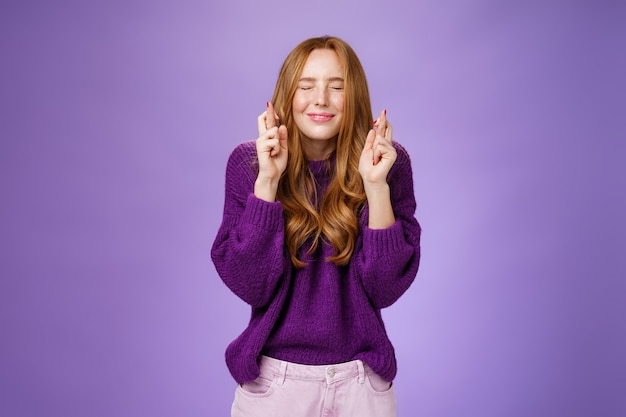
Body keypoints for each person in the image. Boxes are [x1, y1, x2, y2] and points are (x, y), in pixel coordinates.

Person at [211, 35, 421, 417]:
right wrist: (267, 184)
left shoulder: (389, 164)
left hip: (362, 387)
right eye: (306, 86)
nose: (321, 99)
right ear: (287, 96)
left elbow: (385, 288)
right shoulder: (248, 165)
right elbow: (251, 285)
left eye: (336, 87)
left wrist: (375, 187)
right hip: (273, 387)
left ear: (354, 96)